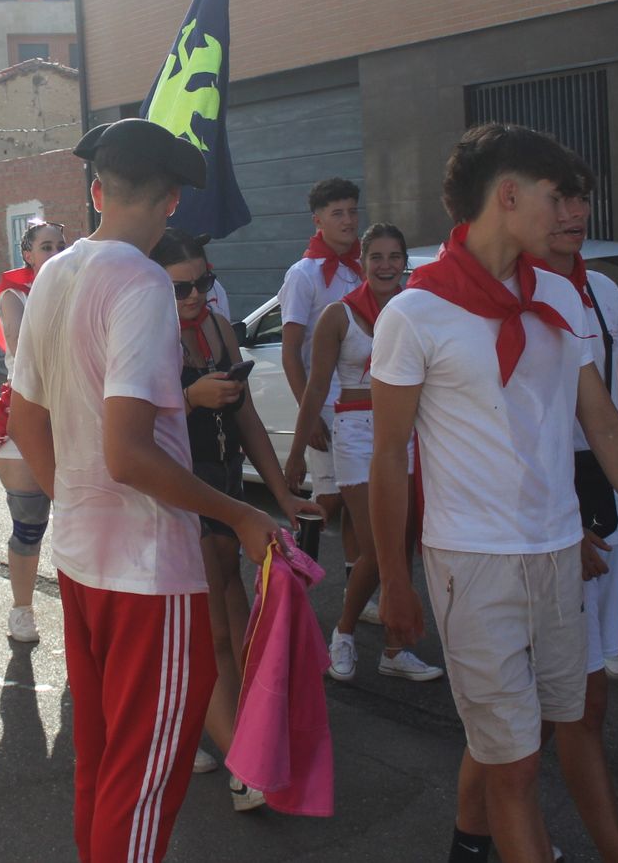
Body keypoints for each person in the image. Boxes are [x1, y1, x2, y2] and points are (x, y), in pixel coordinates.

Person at [368, 124, 618, 863]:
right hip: (471, 562)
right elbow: (390, 457)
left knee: (565, 719)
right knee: (514, 765)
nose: (569, 214)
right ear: (510, 195)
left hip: (560, 554)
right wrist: (395, 582)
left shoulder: (557, 294)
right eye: (556, 198)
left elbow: (605, 426)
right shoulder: (415, 313)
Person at [7, 119, 280, 862]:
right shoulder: (142, 282)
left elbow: (25, 412)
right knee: (144, 779)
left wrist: (73, 497)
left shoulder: (56, 271)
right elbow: (129, 453)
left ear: (99, 191)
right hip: (147, 570)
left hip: (87, 555)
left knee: (104, 769)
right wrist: (242, 511)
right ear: (170, 201)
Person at [152, 226, 322, 814]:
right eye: (181, 289)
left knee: (240, 617)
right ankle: (239, 762)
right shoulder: (146, 338)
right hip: (180, 490)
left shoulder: (219, 329)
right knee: (213, 630)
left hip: (224, 486)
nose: (196, 296)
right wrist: (187, 397)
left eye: (204, 282)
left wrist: (282, 494)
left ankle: (235, 734)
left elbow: (247, 420)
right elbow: (123, 429)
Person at [533, 166, 618, 860]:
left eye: (582, 199)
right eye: (559, 198)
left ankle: (485, 833)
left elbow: (613, 413)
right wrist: (563, 526)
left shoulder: (603, 292)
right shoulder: (515, 296)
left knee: (578, 704)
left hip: (605, 503)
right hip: (548, 516)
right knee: (541, 711)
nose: (574, 212)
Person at [287, 223, 441, 685]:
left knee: (407, 540)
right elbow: (317, 386)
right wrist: (296, 452)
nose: (387, 265)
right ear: (363, 263)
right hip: (355, 430)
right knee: (378, 545)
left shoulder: (417, 310)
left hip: (408, 428)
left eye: (396, 256)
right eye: (377, 256)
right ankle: (345, 633)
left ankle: (396, 648)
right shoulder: (339, 314)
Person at [279, 178, 363, 589]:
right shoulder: (304, 274)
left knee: (354, 500)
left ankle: (355, 593)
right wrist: (307, 416)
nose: (348, 220)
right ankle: (293, 583)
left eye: (352, 211)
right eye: (337, 213)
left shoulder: (366, 268)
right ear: (318, 221)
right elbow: (290, 350)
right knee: (328, 500)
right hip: (325, 407)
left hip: (363, 406)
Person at [0, 220, 67, 643]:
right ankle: (22, 609)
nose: (54, 252)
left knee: (78, 520)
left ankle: (80, 609)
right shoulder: (13, 296)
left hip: (73, 417)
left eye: (60, 245)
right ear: (28, 256)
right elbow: (22, 348)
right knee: (30, 523)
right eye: (45, 246)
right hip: (27, 417)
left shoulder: (78, 289)